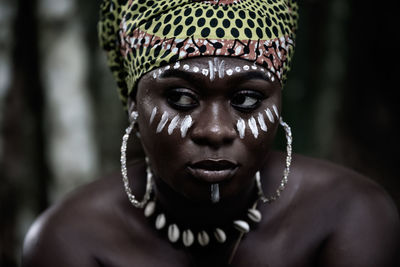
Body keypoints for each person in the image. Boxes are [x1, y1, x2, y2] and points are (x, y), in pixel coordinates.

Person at [22, 0, 399, 266]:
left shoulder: (348, 217)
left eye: (247, 98)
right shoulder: (72, 241)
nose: (215, 130)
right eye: (181, 98)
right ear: (133, 103)